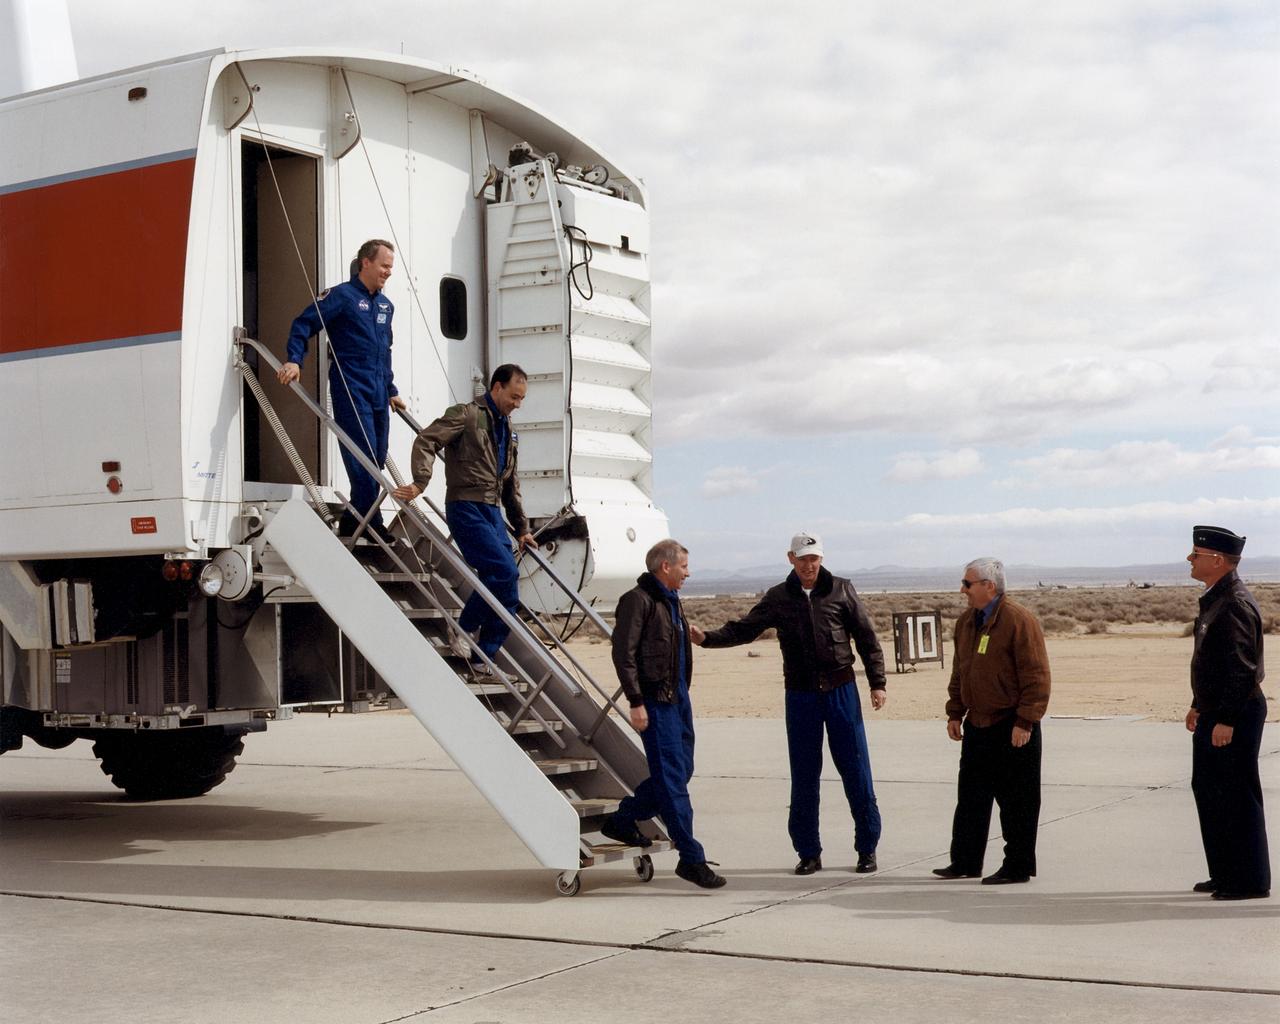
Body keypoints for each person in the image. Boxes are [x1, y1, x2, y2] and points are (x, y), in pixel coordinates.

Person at [693, 531, 886, 876]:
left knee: (856, 770)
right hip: (801, 696)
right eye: (803, 559)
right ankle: (808, 852)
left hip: (842, 692)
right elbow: (745, 629)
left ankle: (867, 848)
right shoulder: (779, 597)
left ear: (821, 559)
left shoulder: (842, 589)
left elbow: (867, 638)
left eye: (814, 559)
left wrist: (878, 683)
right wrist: (707, 638)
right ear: (791, 559)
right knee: (804, 775)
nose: (809, 565)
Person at [598, 539, 726, 889]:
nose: (689, 571)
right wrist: (636, 702)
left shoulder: (671, 601)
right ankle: (691, 857)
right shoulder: (636, 601)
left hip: (678, 698)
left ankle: (623, 819)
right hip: (655, 702)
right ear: (665, 567)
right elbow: (623, 655)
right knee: (672, 780)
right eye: (684, 565)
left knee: (682, 771)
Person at [390, 365, 536, 669]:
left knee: (509, 584)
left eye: (521, 399)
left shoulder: (509, 432)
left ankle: (485, 657)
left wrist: (522, 529)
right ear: (496, 388)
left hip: (493, 511)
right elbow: (426, 440)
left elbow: (511, 485)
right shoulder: (466, 415)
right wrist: (420, 482)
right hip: (466, 507)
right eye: (513, 397)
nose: (517, 405)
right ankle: (463, 627)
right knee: (503, 572)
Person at [277, 239, 405, 539]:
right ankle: (370, 523)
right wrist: (294, 360)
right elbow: (303, 323)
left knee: (377, 454)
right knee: (362, 455)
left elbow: (384, 352)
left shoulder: (386, 305)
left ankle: (354, 520)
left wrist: (391, 388)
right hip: (352, 387)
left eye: (391, 267)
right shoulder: (342, 296)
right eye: (385, 265)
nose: (389, 272)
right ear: (366, 263)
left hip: (377, 391)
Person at [933, 557, 1050, 885]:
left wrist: (1026, 721)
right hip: (978, 724)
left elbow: (1036, 675)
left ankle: (1018, 864)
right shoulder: (966, 623)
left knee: (1018, 801)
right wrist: (955, 712)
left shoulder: (1017, 620)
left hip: (1012, 725)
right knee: (971, 797)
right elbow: (960, 671)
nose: (962, 590)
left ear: (989, 586)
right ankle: (965, 861)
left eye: (967, 584)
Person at [1185, 525, 1270, 900]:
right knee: (1210, 790)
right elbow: (1210, 663)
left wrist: (1226, 719)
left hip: (1233, 712)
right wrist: (1196, 705)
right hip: (1214, 710)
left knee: (1235, 792)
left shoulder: (1233, 602)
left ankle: (1249, 880)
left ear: (1217, 560)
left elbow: (1242, 668)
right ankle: (1224, 871)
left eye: (1196, 554)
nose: (1189, 559)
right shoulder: (1215, 598)